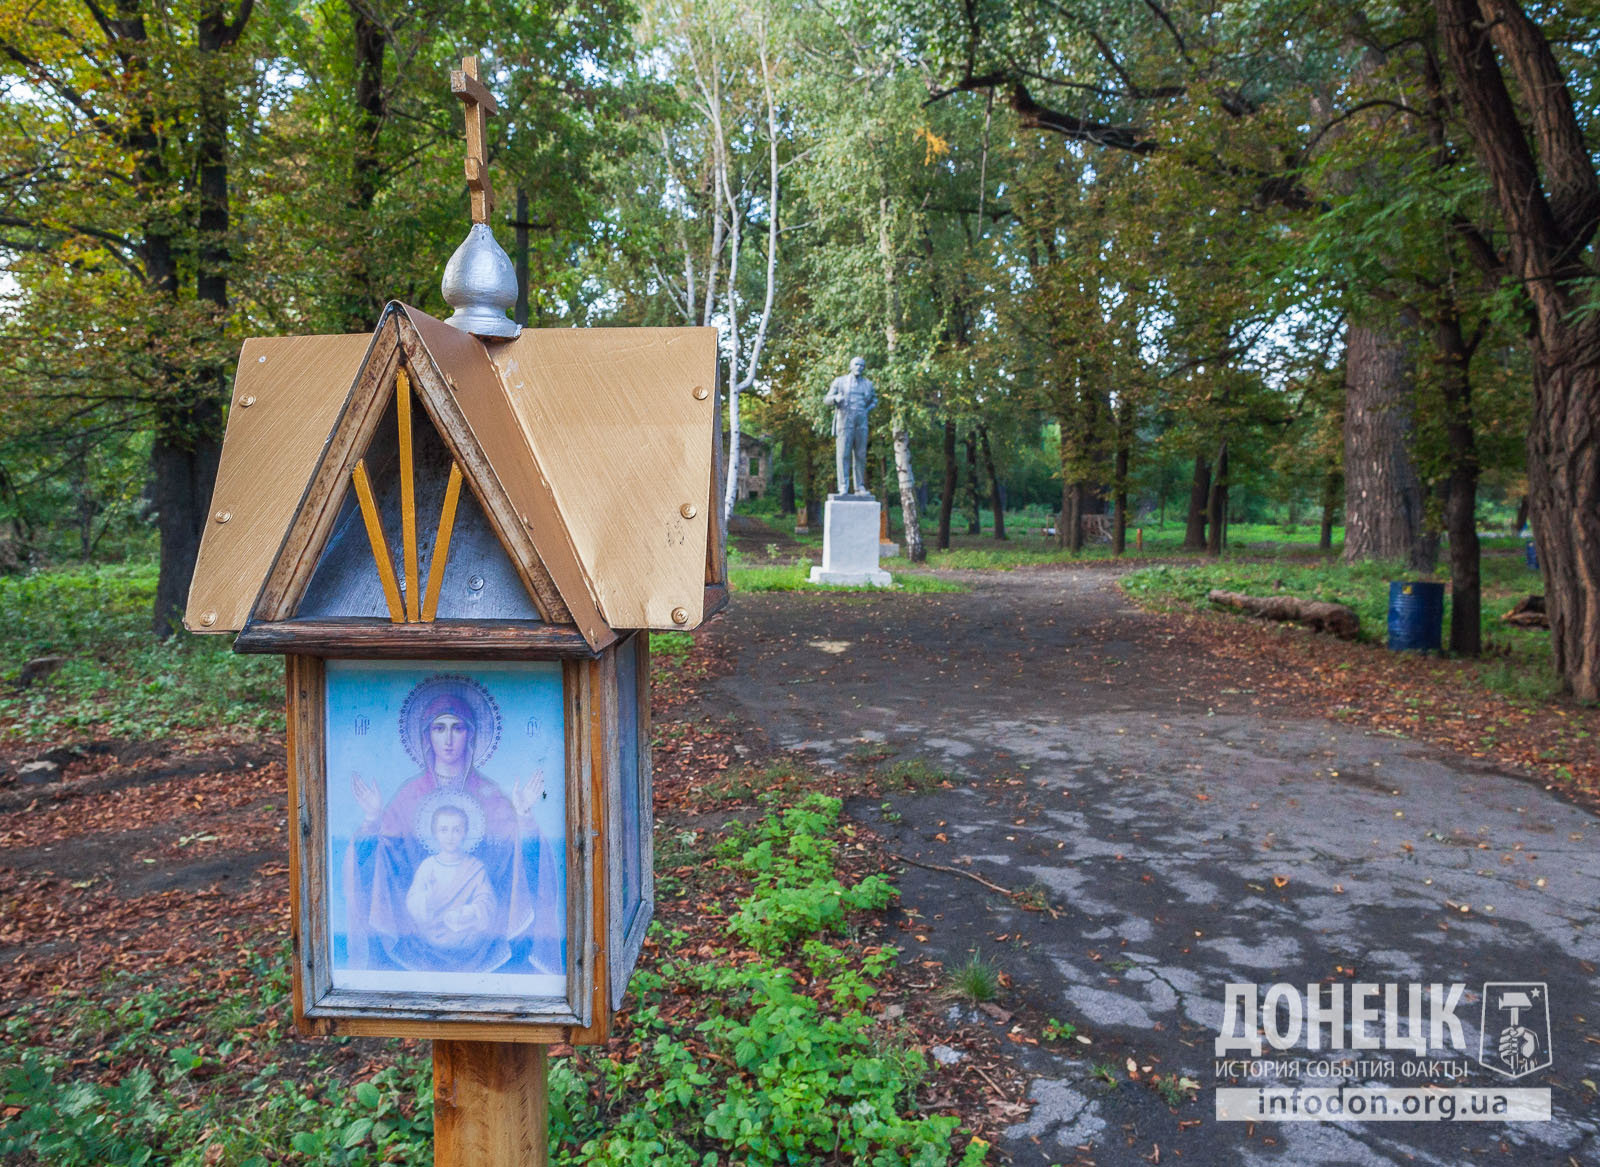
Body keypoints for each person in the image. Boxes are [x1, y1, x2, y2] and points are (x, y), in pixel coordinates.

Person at [342, 683, 563, 974]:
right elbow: (381, 866)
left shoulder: (492, 795)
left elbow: (523, 866)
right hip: (417, 936)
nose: (448, 739)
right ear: (426, 737)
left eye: (457, 728)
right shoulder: (408, 795)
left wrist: (524, 817)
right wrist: (372, 819)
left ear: (470, 735)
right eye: (439, 729)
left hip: (484, 938)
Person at [405, 803, 495, 950]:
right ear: (434, 833)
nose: (450, 836)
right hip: (430, 936)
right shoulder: (427, 866)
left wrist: (470, 912)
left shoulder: (475, 868)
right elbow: (413, 900)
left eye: (456, 830)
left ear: (465, 833)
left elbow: (487, 901)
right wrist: (426, 899)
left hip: (466, 936)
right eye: (444, 830)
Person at [823, 356, 877, 495]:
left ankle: (859, 487)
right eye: (856, 364)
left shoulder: (868, 384)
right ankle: (843, 486)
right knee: (843, 455)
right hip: (845, 419)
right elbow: (826, 399)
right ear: (851, 366)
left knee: (860, 454)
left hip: (861, 420)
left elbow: (874, 400)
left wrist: (867, 409)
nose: (859, 367)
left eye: (862, 365)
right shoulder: (840, 381)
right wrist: (835, 399)